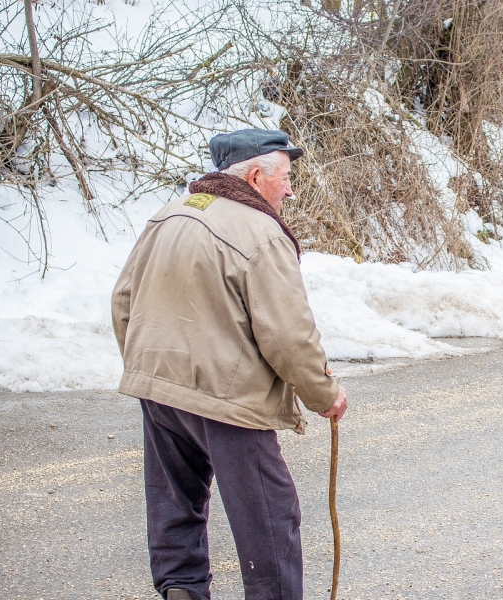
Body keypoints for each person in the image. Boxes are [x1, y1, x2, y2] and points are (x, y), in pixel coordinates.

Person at [112, 129, 348, 600]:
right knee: (268, 515)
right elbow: (287, 334)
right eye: (285, 177)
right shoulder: (261, 233)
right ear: (256, 175)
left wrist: (152, 367)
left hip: (159, 391)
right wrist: (324, 394)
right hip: (228, 399)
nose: (290, 189)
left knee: (176, 503)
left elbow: (123, 301)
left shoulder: (168, 216)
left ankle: (181, 589)